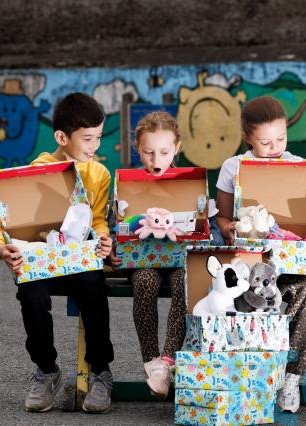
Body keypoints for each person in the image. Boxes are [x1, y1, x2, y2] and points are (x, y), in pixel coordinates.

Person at [0, 92, 114, 414]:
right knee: (30, 292)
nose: (94, 146)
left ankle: (100, 372)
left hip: (79, 260)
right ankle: (46, 370)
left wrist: (103, 238)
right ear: (61, 137)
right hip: (43, 259)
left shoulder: (100, 174)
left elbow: (98, 219)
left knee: (93, 287)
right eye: (87, 139)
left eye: (98, 137)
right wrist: (1, 248)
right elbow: (0, 222)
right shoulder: (38, 170)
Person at [215, 96, 306, 413]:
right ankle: (252, 377)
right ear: (248, 139)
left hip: (291, 264)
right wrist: (229, 228)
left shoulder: (299, 166)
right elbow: (221, 218)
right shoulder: (233, 167)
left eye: (281, 138)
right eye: (265, 142)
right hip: (248, 267)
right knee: (249, 298)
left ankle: (291, 377)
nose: (275, 147)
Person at [109, 111, 187, 400]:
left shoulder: (189, 183)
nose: (156, 160)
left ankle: (167, 361)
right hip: (140, 262)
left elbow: (207, 228)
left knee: (185, 282)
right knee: (145, 281)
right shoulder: (127, 184)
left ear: (177, 148)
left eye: (164, 152)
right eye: (148, 152)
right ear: (137, 149)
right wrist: (113, 247)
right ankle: (152, 362)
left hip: (179, 261)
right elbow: (113, 226)